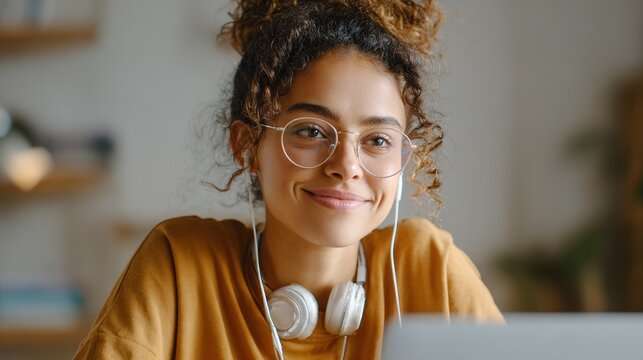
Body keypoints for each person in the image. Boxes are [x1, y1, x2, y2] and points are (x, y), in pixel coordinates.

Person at [74, 1, 503, 359]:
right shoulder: (179, 266)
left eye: (377, 139)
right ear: (246, 145)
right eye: (312, 131)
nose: (347, 166)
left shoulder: (429, 270)